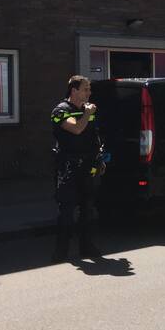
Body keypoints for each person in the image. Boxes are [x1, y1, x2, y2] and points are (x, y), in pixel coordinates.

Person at [51, 75, 103, 263]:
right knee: (67, 209)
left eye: (89, 89)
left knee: (87, 208)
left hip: (88, 165)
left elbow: (92, 135)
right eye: (86, 89)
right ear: (74, 91)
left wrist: (99, 159)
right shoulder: (61, 110)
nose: (89, 93)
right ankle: (61, 251)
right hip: (68, 167)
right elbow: (77, 129)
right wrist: (87, 114)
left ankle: (86, 246)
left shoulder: (88, 110)